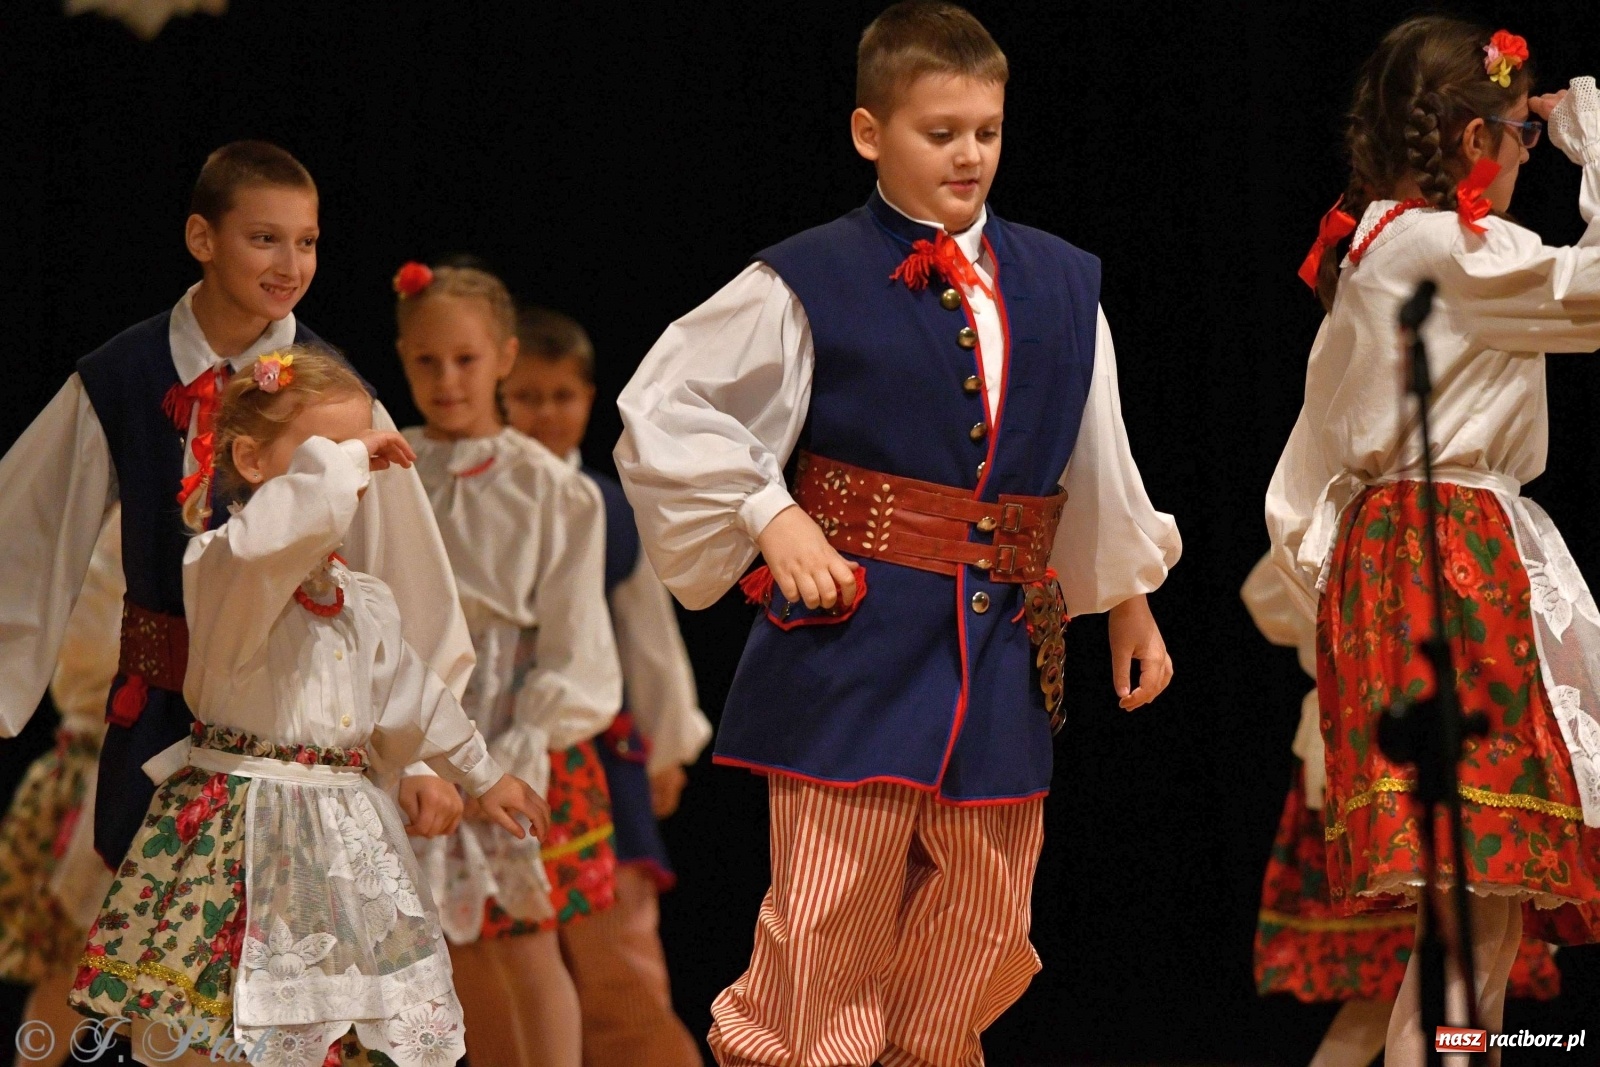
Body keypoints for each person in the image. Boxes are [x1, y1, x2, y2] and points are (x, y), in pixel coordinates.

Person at [615, 3, 1180, 1063]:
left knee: (986, 914)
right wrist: (767, 511)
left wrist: (1127, 596)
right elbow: (666, 405)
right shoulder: (806, 277)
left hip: (1000, 641)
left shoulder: (1063, 280)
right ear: (870, 131)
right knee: (829, 914)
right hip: (854, 640)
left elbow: (1092, 456)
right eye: (941, 131)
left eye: (987, 130)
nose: (969, 155)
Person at [1266, 16, 1600, 1063]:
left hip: (1398, 554)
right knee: (1469, 913)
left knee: (1477, 916)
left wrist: (1340, 588)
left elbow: (1304, 470)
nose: (1521, 155)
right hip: (1447, 557)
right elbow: (1587, 295)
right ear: (1472, 141)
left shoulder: (1370, 245)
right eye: (1517, 133)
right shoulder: (1444, 247)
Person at [67, 346, 549, 1067]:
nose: (353, 471)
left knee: (342, 1035)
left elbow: (415, 696)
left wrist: (484, 773)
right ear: (253, 461)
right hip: (245, 833)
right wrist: (347, 457)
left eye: (359, 453)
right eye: (331, 452)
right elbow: (287, 529)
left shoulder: (363, 597)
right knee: (220, 1034)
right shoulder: (227, 565)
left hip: (341, 834)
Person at [0, 141, 470, 879]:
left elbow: (405, 574)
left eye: (307, 242)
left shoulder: (336, 392)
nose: (290, 264)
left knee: (284, 957)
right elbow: (24, 535)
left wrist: (417, 754)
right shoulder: (124, 375)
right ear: (202, 240)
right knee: (160, 958)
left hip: (298, 734)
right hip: (163, 719)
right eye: (264, 238)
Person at [392, 263, 623, 1067]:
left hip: (512, 733)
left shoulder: (554, 491)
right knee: (436, 954)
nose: (447, 380)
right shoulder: (384, 472)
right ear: (402, 358)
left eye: (466, 359)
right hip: (407, 732)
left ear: (504, 359)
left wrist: (506, 757)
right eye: (427, 361)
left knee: (528, 943)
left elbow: (573, 644)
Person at [1242, 555, 1559, 1067]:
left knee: (1480, 957)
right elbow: (1274, 591)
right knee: (1427, 971)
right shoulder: (1371, 538)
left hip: (1461, 759)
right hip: (1385, 762)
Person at [504, 306, 711, 1067]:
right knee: (511, 966)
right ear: (498, 396)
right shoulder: (468, 500)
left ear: (590, 398)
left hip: (596, 761)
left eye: (561, 395)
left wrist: (667, 745)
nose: (545, 413)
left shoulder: (613, 508)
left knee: (616, 959)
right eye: (526, 396)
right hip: (495, 751)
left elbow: (647, 634)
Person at [0, 515, 122, 1067]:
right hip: (105, 767)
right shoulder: (133, 521)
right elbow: (95, 655)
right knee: (71, 975)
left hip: (117, 763)